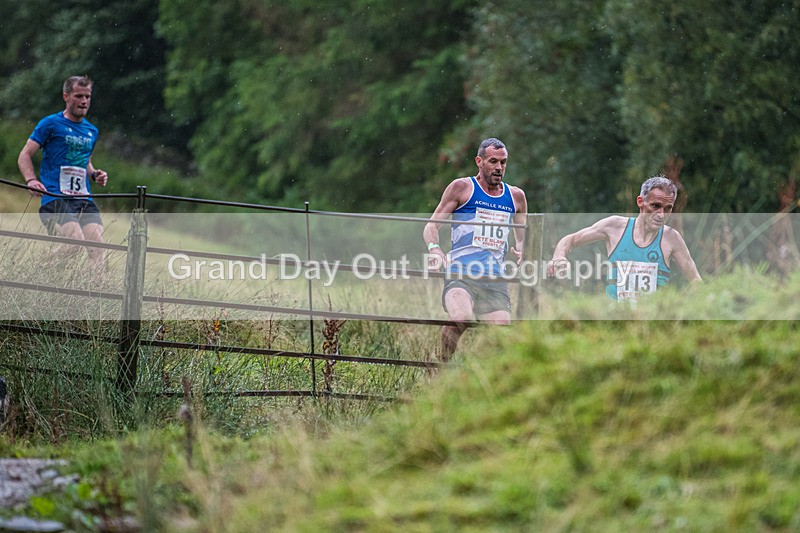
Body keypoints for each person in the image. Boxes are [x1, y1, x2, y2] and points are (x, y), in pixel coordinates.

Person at [423, 138, 528, 360]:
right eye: (493, 161)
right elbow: (431, 226)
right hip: (461, 273)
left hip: (494, 278)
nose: (499, 168)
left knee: (501, 334)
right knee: (461, 318)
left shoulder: (516, 196)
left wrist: (522, 252)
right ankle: (437, 367)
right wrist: (434, 249)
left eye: (503, 162)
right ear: (479, 161)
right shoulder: (462, 187)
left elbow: (522, 238)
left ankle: (482, 383)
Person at [547, 175, 701, 300]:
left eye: (668, 209)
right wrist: (559, 257)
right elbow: (570, 240)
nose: (661, 215)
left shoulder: (672, 238)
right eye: (655, 206)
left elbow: (695, 281)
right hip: (616, 320)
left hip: (653, 322)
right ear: (640, 202)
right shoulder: (614, 226)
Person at [18, 75, 109, 272]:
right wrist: (31, 180)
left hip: (83, 199)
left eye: (87, 96)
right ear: (66, 96)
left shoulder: (91, 131)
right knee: (74, 244)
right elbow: (24, 154)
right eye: (78, 96)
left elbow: (86, 162)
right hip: (54, 197)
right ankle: (35, 273)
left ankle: (97, 299)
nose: (84, 101)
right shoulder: (50, 124)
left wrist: (95, 175)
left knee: (99, 249)